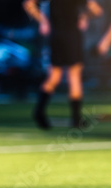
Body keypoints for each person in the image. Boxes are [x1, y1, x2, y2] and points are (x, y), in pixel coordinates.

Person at [23, 0, 103, 129]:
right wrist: (84, 17)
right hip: (72, 35)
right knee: (75, 75)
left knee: (54, 76)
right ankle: (76, 118)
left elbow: (29, 4)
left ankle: (39, 111)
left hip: (56, 35)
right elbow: (96, 10)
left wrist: (43, 20)